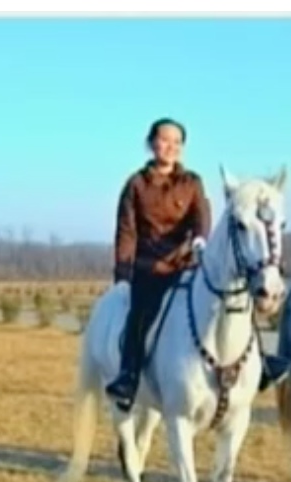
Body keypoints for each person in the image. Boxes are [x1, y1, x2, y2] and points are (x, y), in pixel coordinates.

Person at [105, 118, 212, 410]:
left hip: (186, 267)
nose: (170, 147)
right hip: (149, 270)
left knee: (225, 298)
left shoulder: (192, 182)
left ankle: (261, 365)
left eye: (177, 143)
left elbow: (202, 215)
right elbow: (126, 232)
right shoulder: (136, 184)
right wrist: (124, 276)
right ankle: (128, 377)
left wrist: (201, 239)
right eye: (165, 140)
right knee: (139, 316)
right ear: (152, 143)